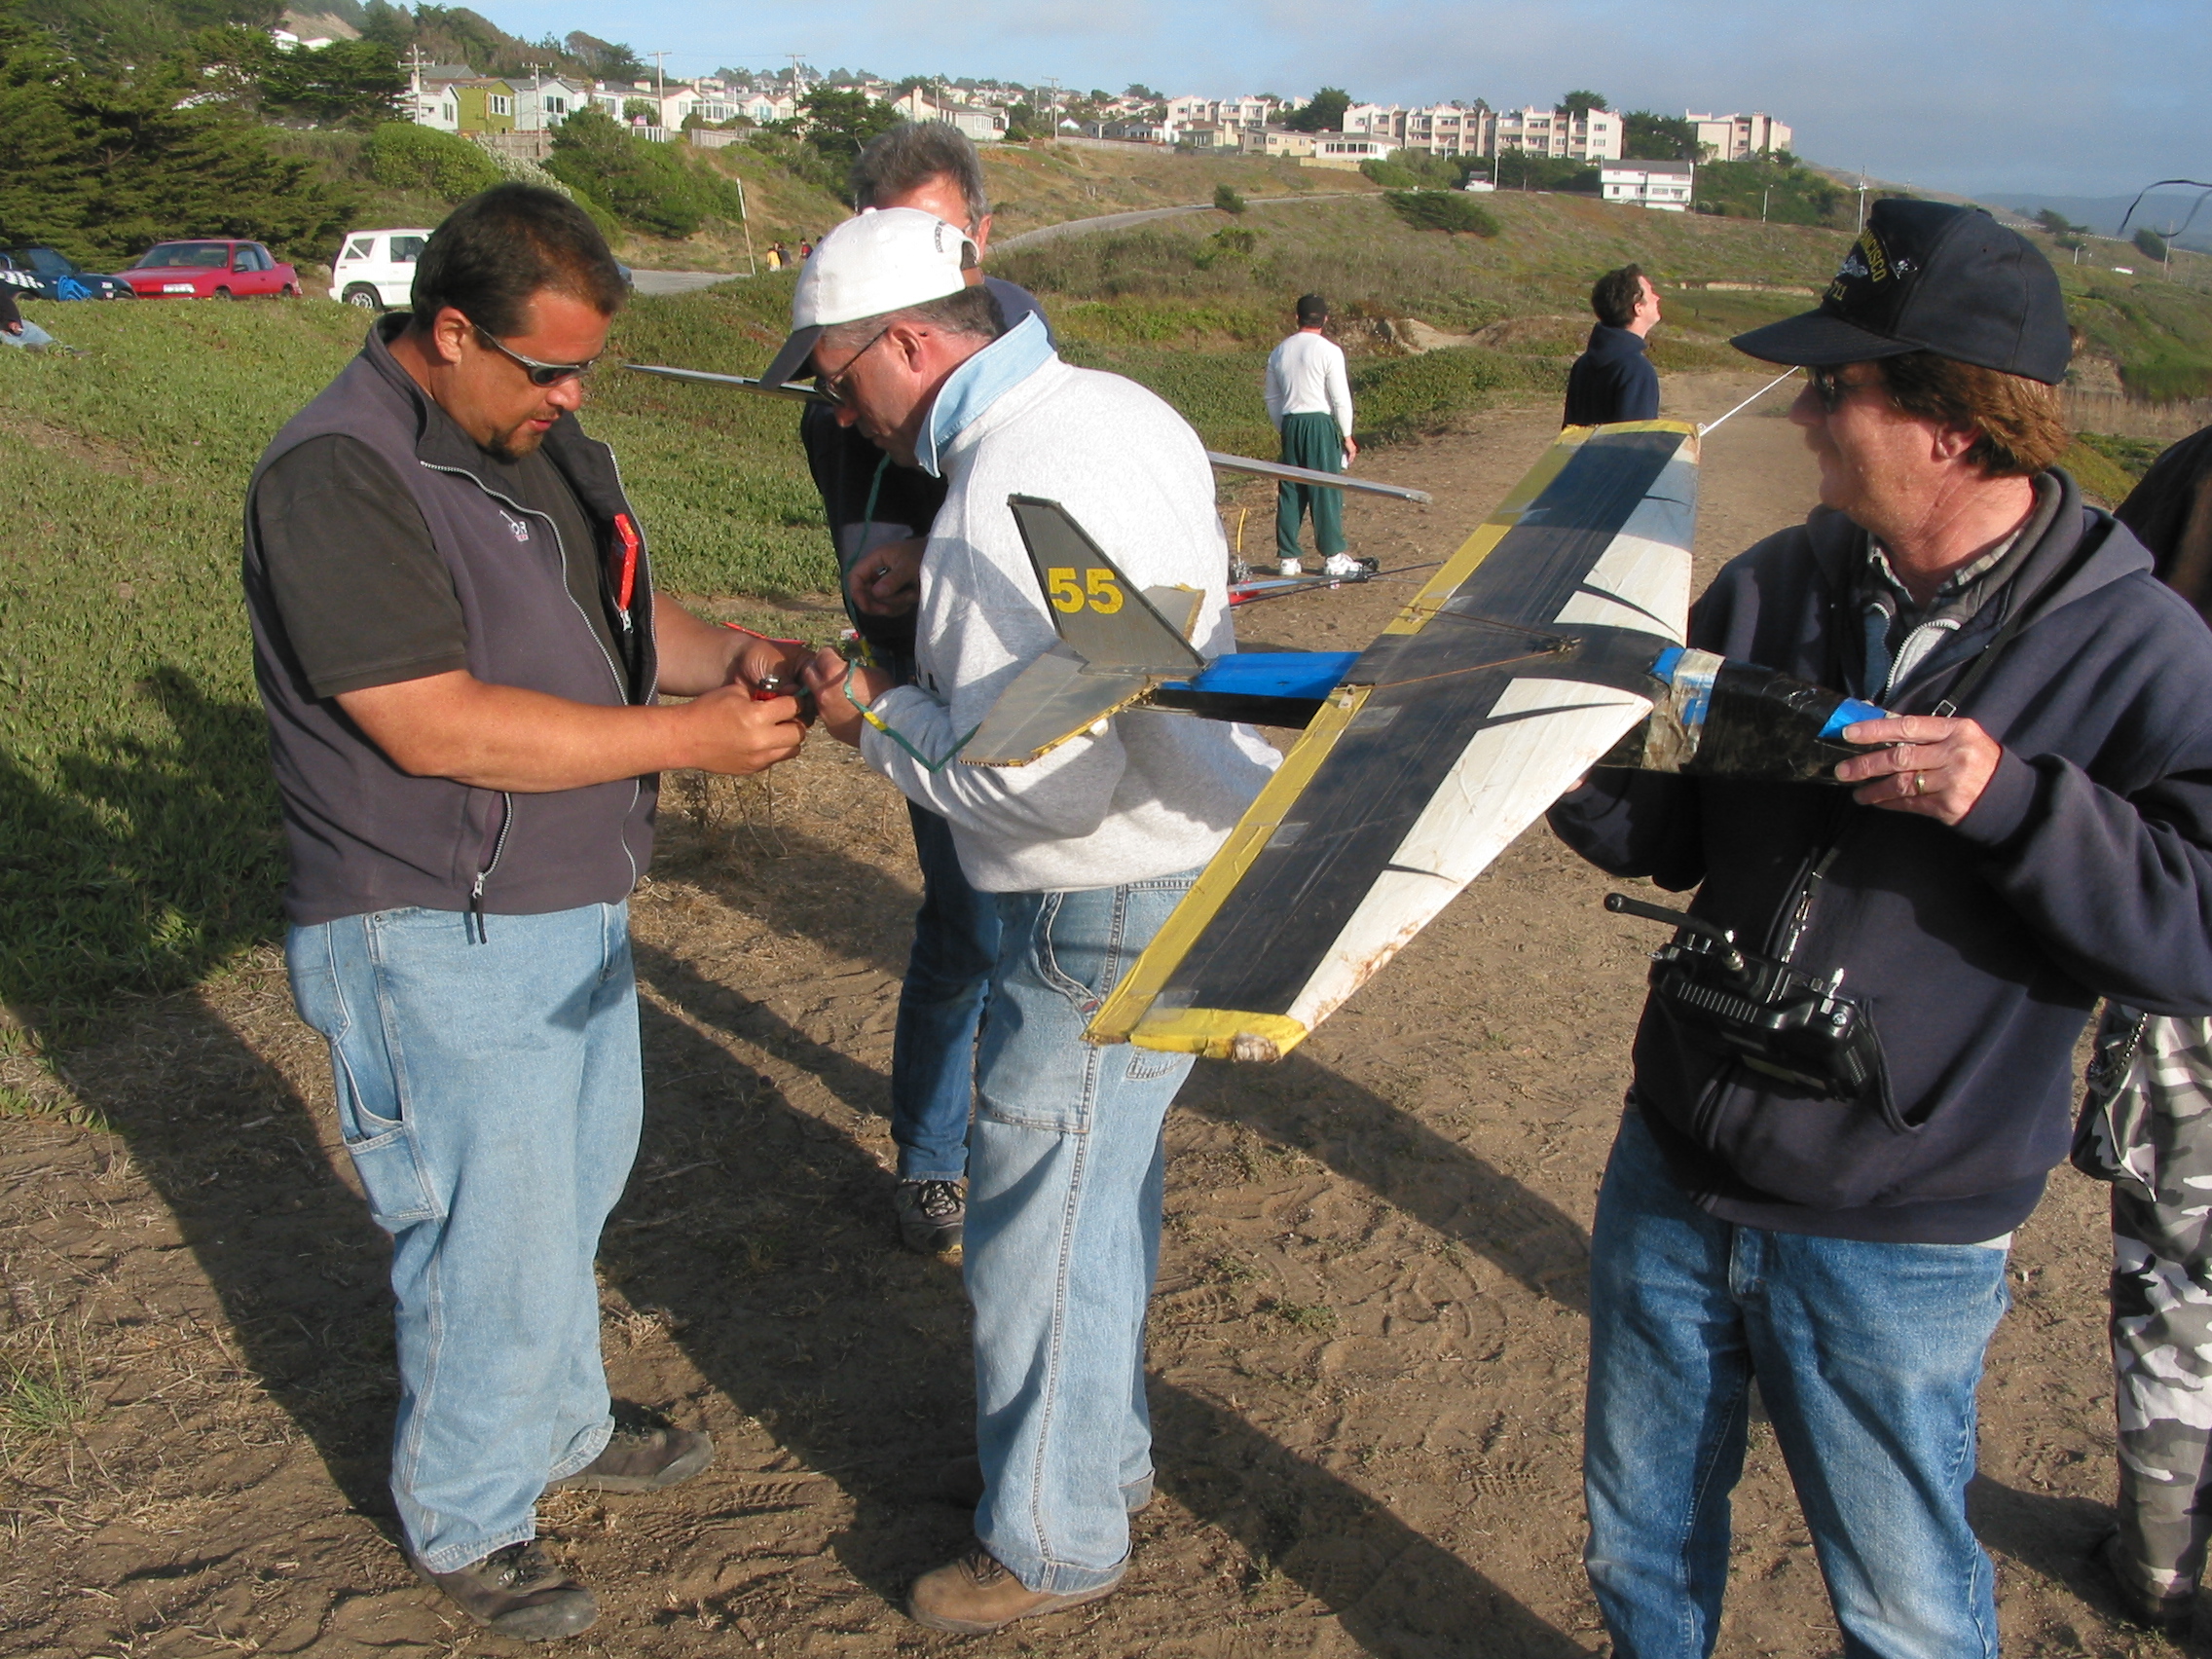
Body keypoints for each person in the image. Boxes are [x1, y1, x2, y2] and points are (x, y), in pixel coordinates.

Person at [1548, 200, 2212, 1658]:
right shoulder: (1775, 585)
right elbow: (1666, 831)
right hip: (1673, 1160)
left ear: (1952, 430)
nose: (1799, 408)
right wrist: (1567, 767)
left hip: (1900, 1231)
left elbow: (2192, 930)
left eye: (1834, 386)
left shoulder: (2141, 648)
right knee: (1637, 1542)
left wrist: (2011, 801)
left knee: (1904, 1604)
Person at [240, 185, 810, 1641]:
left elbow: (626, 625)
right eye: (543, 367)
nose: (567, 395)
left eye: (584, 371)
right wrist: (686, 746)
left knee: (570, 1188)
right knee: (483, 1227)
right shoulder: (338, 474)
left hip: (566, 904)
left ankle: (558, 1425)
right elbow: (432, 725)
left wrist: (736, 654)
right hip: (431, 923)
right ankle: (468, 1512)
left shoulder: (534, 441)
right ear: (448, 331)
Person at [771, 207, 1277, 1633]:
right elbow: (1144, 635)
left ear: (910, 343)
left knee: (1035, 1212)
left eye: (835, 374)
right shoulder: (1117, 410)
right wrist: (929, 596)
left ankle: (1050, 1539)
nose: (837, 405)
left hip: (1092, 889)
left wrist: (868, 716)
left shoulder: (1002, 483)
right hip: (1190, 856)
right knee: (1101, 1190)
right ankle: (1095, 1468)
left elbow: (1042, 778)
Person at [795, 120, 1051, 1256]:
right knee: (964, 930)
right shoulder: (841, 391)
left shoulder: (1034, 341)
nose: (923, 249)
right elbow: (874, 560)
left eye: (940, 231)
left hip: (1039, 678)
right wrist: (893, 583)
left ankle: (1021, 1138)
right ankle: (935, 1156)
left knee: (1045, 929)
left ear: (979, 235)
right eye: (890, 230)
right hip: (927, 680)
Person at [2072, 417, 2212, 1636]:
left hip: (2190, 950)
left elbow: (2120, 626)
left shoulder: (2197, 470)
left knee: (2174, 1276)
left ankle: (2159, 1559)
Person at [1265, 292, 1361, 577]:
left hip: (1291, 422)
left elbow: (1272, 398)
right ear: (1325, 319)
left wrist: (1284, 428)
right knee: (1325, 488)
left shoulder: (1279, 351)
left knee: (1291, 490)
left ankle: (1288, 559)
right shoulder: (1329, 350)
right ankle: (1332, 556)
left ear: (1297, 318)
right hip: (1319, 423)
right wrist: (1347, 435)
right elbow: (1340, 398)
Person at [1562, 263, 1661, 427]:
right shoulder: (1636, 369)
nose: (1657, 298)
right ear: (1638, 308)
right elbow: (1636, 441)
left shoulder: (1584, 363)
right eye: (1651, 293)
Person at [0, 280, 58, 350]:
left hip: (5, 324)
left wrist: (12, 321)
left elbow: (6, 304)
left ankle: (57, 347)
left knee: (28, 328)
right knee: (4, 337)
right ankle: (27, 347)